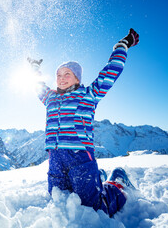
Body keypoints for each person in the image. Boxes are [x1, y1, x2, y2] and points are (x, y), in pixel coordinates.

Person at [28, 28, 139, 217]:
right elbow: (37, 85)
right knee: (59, 200)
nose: (61, 79)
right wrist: (34, 70)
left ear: (77, 78)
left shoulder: (89, 95)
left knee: (94, 208)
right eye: (58, 75)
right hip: (55, 158)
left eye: (67, 74)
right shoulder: (50, 98)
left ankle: (117, 183)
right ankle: (97, 180)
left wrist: (122, 46)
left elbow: (111, 72)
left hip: (80, 157)